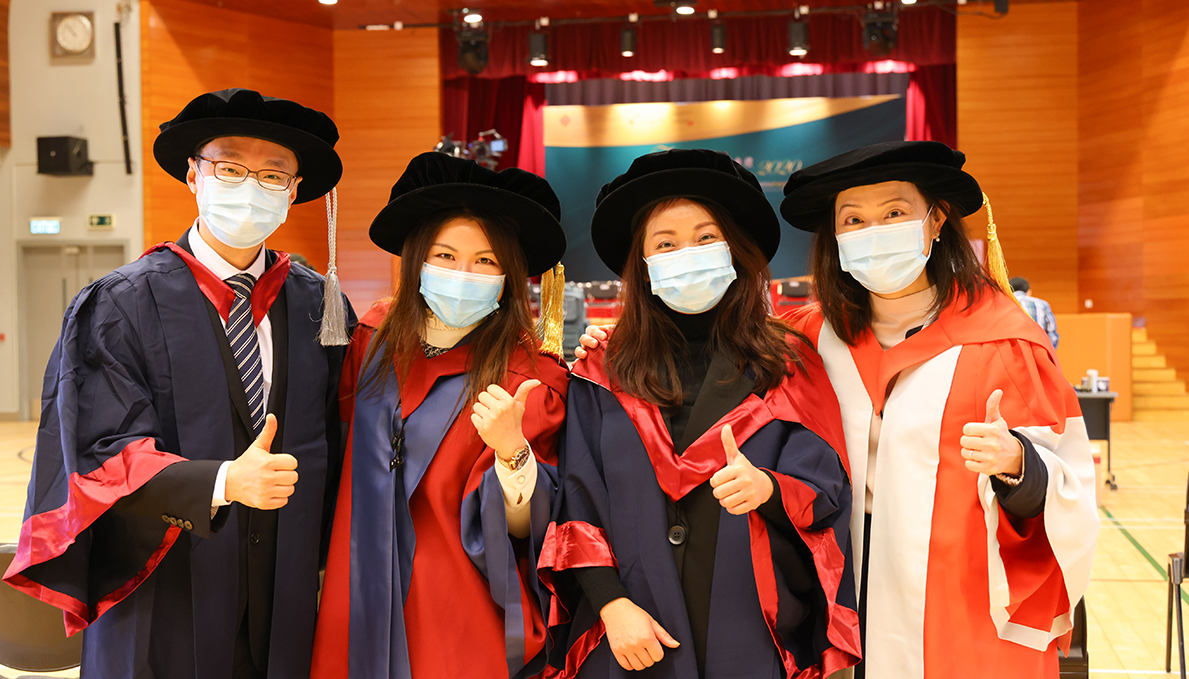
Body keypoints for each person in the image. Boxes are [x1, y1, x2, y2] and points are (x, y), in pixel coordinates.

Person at [4, 88, 355, 679]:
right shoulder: (121, 304)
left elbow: (347, 441)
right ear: (194, 175)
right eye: (230, 168)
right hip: (161, 594)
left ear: (294, 191)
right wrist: (221, 481)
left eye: (273, 175)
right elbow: (99, 451)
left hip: (287, 597)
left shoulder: (321, 306)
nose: (251, 187)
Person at [776, 141, 1097, 678]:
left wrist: (1017, 463)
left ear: (936, 221)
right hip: (837, 585)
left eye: (894, 214)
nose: (873, 232)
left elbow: (1068, 486)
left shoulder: (1002, 341)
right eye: (853, 220)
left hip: (958, 598)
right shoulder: (807, 339)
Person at [544, 149, 859, 679]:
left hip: (749, 626)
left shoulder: (787, 363)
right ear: (642, 264)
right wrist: (611, 605)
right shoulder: (601, 370)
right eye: (665, 243)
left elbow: (826, 487)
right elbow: (577, 499)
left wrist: (769, 489)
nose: (686, 254)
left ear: (735, 250)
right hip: (629, 635)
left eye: (706, 237)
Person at [311, 152, 570, 679]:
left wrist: (512, 454)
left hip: (457, 608)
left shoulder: (530, 377)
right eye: (445, 255)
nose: (462, 274)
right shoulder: (372, 341)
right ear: (417, 260)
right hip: (357, 594)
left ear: (509, 276)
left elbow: (529, 529)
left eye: (486, 261)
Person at [1010, 276, 1059, 348]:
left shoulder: (1003, 304)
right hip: (1038, 349)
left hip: (1012, 350)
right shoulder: (1042, 304)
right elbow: (1052, 333)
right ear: (1028, 291)